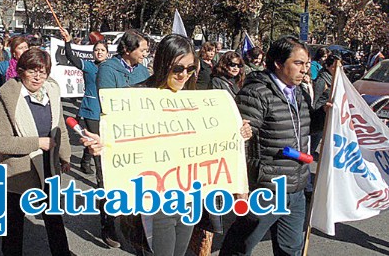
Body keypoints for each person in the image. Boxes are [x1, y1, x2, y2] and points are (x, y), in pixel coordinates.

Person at [85, 34, 252, 256]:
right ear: (163, 65)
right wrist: (102, 145)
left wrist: (237, 133)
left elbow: (211, 140)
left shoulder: (197, 101)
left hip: (189, 198)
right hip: (154, 202)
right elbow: (122, 138)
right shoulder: (137, 97)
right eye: (178, 69)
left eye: (190, 68)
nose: (184, 75)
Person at [219, 35, 327, 256]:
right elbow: (238, 142)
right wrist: (240, 188)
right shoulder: (256, 93)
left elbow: (306, 126)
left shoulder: (299, 92)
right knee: (240, 246)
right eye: (297, 63)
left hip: (296, 187)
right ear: (278, 63)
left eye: (306, 64)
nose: (304, 70)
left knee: (291, 250)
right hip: (267, 187)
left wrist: (326, 114)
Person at [0, 48, 73, 256]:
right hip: (18, 172)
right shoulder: (7, 97)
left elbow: (60, 127)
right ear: (21, 71)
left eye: (43, 71)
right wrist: (38, 143)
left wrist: (65, 156)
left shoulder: (52, 92)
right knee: (13, 227)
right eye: (32, 71)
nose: (38, 77)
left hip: (49, 168)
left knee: (54, 219)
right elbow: (0, 143)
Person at [96, 28, 150, 248]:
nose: (146, 53)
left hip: (139, 136)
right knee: (110, 182)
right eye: (143, 49)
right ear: (127, 49)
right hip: (115, 137)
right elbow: (109, 104)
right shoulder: (107, 69)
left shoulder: (143, 71)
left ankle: (136, 226)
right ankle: (108, 223)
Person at [59, 27, 108, 175]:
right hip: (91, 109)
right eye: (96, 50)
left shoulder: (111, 67)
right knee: (95, 141)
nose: (99, 52)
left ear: (107, 53)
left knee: (94, 139)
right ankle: (101, 179)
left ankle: (85, 161)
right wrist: (68, 41)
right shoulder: (89, 66)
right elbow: (71, 57)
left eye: (102, 50)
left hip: (107, 110)